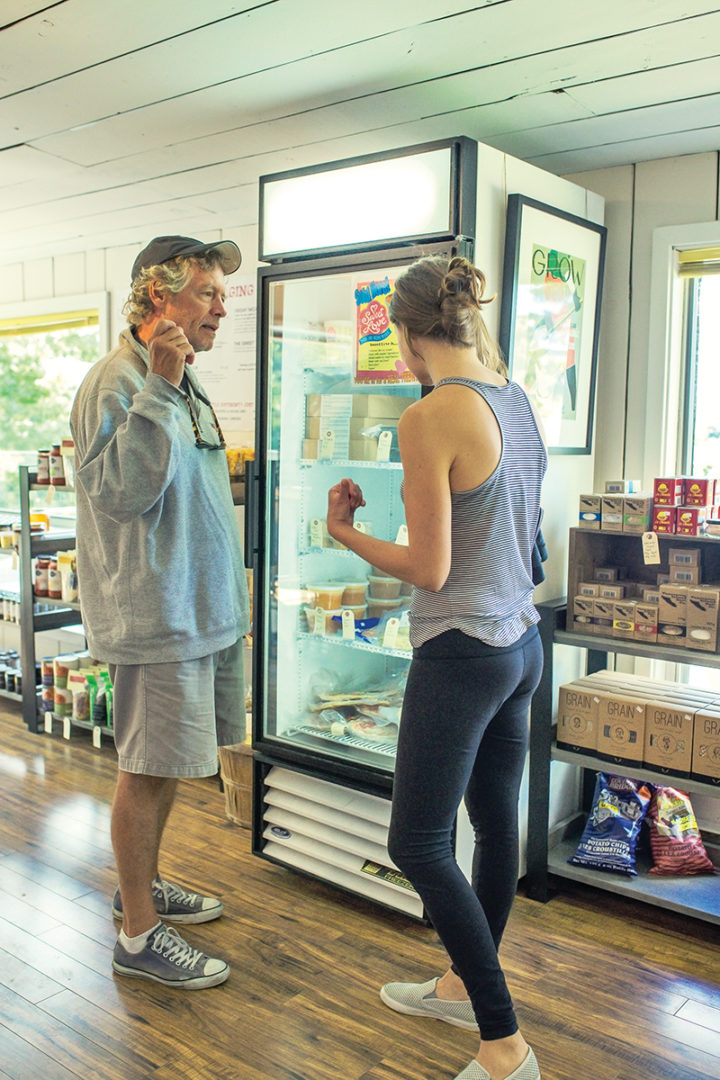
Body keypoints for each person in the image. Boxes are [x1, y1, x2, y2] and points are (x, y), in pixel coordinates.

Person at [326, 255, 546, 1080]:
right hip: (520, 645)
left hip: (460, 651)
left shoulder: (431, 414)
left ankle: (504, 1046)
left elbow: (429, 569)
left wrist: (343, 532)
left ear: (406, 334)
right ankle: (460, 986)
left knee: (417, 843)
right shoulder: (514, 396)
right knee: (492, 825)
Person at [70, 235, 251, 990]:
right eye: (207, 293)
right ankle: (139, 935)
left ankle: (139, 885)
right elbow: (119, 494)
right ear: (158, 295)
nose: (221, 309)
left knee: (169, 763)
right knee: (145, 770)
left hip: (201, 612)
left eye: (221, 295)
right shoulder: (118, 380)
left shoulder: (178, 377)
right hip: (158, 618)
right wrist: (160, 386)